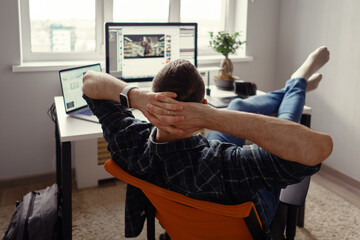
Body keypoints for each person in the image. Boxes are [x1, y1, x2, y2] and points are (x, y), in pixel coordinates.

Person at [82, 46, 332, 239]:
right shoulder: (227, 165)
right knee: (287, 119)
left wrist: (135, 96)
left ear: (153, 101)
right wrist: (211, 116)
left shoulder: (130, 142)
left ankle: (292, 88)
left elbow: (89, 81)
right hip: (250, 213)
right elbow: (316, 148)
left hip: (188, 169)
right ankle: (297, 81)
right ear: (203, 105)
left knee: (238, 105)